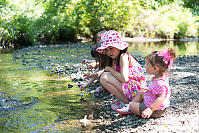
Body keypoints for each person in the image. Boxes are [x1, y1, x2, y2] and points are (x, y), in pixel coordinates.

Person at [117, 48, 176, 118]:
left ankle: (130, 107)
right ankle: (132, 106)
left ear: (155, 68)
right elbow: (157, 90)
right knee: (142, 92)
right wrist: (148, 90)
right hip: (154, 105)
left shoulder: (159, 83)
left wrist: (150, 109)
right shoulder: (162, 77)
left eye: (147, 64)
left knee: (132, 105)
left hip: (155, 110)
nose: (145, 66)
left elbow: (161, 97)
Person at [96, 30, 146, 110]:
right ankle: (128, 101)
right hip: (133, 89)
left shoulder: (124, 56)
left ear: (119, 47)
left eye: (111, 48)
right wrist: (94, 75)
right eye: (106, 50)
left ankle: (126, 102)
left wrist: (110, 70)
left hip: (137, 90)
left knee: (104, 78)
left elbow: (124, 79)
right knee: (105, 75)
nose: (109, 52)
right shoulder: (116, 58)